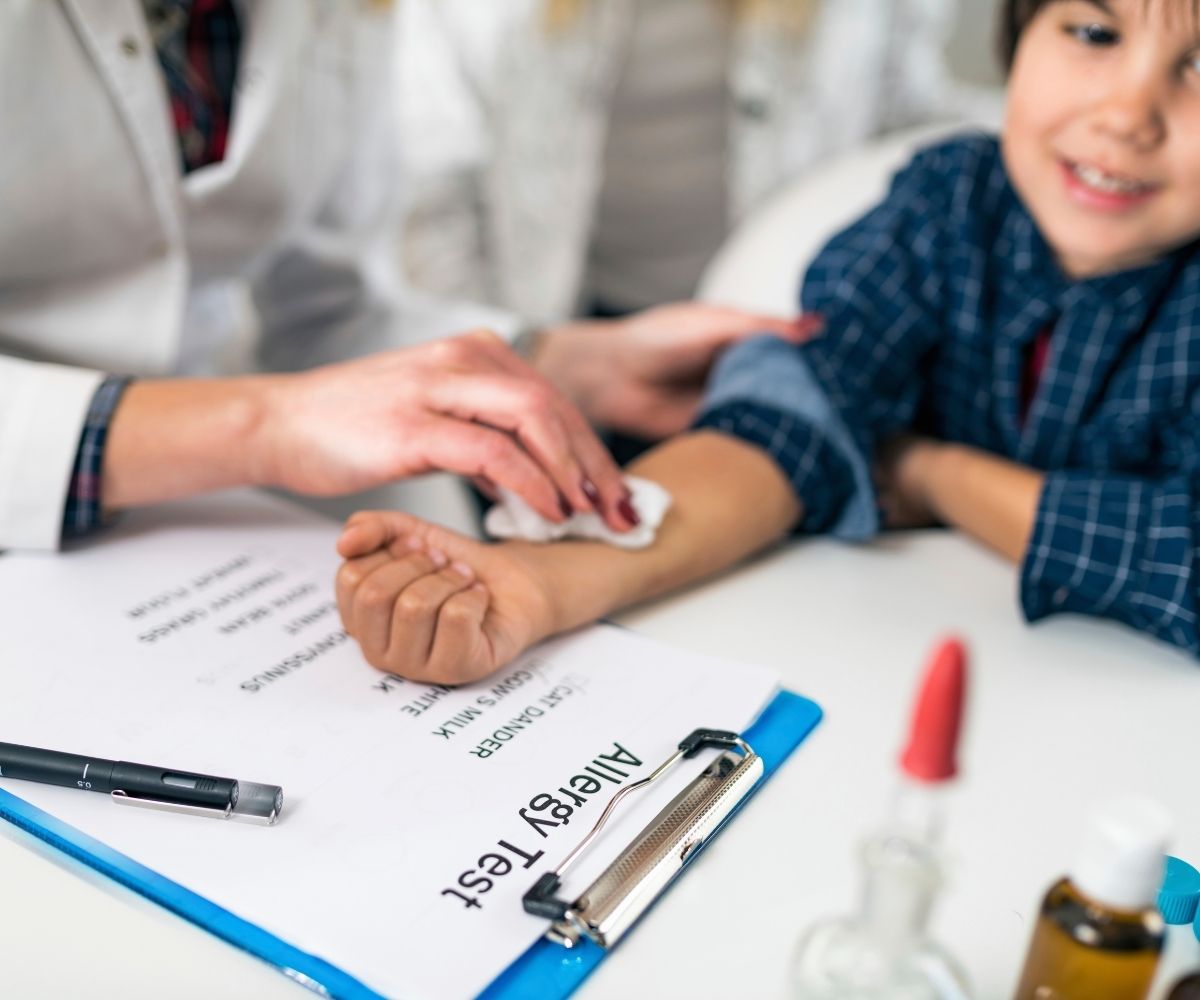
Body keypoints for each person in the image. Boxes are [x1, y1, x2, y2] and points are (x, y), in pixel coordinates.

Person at [336, 0, 1200, 681]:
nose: (1128, 114)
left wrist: (932, 474)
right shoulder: (947, 205)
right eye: (1093, 31)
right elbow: (787, 420)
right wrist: (539, 579)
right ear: (1021, 32)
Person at [0, 1, 805, 551]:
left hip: (186, 523)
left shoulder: (349, 13)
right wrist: (262, 425)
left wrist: (562, 363)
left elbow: (331, 311)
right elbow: (290, 405)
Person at [396, 0, 999, 323]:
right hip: (565, 325)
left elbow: (903, 115)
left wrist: (1058, 105)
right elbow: (440, 191)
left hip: (767, 328)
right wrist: (505, 353)